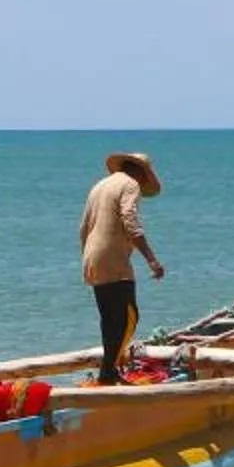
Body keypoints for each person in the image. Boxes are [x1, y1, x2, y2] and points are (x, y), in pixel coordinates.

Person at [79, 150, 164, 383]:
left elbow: (84, 226)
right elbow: (130, 220)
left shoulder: (100, 186)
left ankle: (108, 370)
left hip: (92, 257)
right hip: (112, 259)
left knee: (109, 318)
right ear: (140, 173)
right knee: (129, 316)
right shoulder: (130, 185)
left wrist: (87, 258)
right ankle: (108, 372)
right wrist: (152, 259)